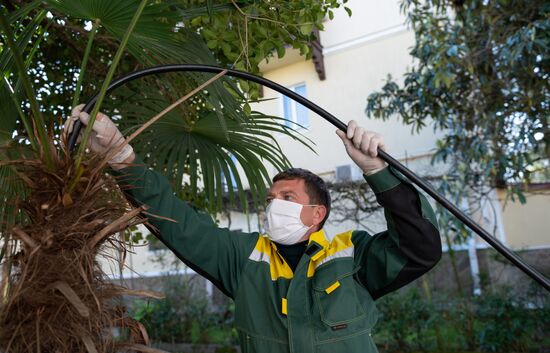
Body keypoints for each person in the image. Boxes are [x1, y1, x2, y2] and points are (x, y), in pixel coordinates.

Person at [68, 105, 442, 353]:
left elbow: (418, 248)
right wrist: (122, 158)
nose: (273, 205)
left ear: (317, 214)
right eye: (270, 198)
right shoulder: (243, 257)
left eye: (288, 197)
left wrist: (378, 172)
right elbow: (180, 224)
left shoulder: (353, 256)